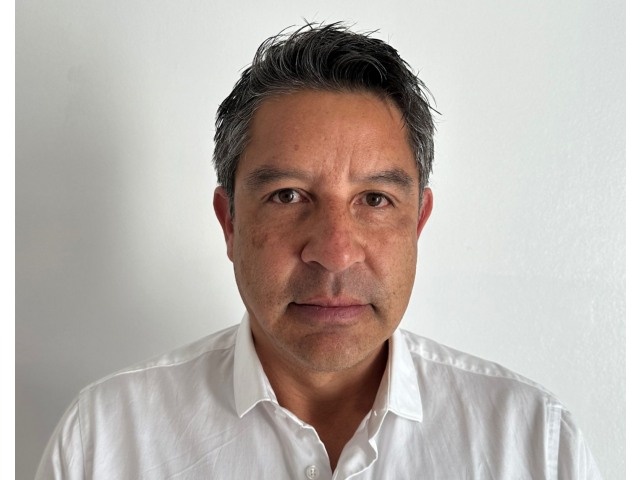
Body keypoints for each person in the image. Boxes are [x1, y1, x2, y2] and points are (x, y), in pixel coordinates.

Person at [36, 23, 602, 479]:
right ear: (230, 222)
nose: (334, 253)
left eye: (374, 199)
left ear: (418, 222)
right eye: (288, 196)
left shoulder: (534, 445)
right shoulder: (104, 441)